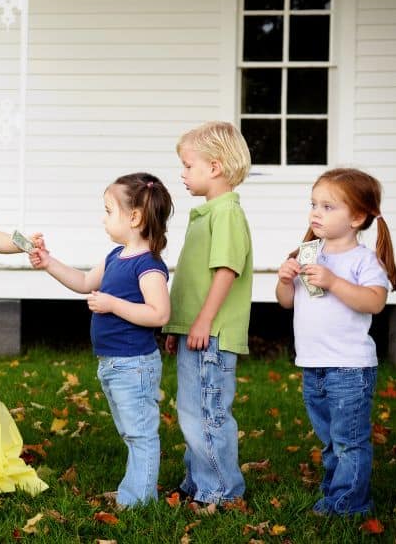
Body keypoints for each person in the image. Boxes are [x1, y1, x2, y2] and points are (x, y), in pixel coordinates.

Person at [29, 172, 173, 507]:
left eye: (109, 211)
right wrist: (48, 263)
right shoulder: (114, 257)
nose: (103, 218)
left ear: (134, 217)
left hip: (134, 365)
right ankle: (135, 489)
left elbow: (159, 314)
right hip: (114, 364)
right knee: (131, 432)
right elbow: (82, 281)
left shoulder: (148, 266)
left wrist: (112, 304)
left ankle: (139, 499)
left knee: (140, 434)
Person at [275, 168, 396, 516]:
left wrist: (332, 281)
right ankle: (336, 492)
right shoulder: (308, 253)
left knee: (349, 441)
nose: (316, 212)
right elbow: (287, 302)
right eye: (314, 204)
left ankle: (349, 504)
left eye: (328, 206)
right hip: (313, 364)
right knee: (332, 440)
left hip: (349, 367)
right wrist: (286, 281)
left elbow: (374, 302)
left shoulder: (363, 260)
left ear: (357, 217)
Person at [162, 121, 252, 506]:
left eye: (187, 166)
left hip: (212, 334)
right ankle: (198, 482)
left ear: (214, 167)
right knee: (192, 410)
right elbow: (193, 281)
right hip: (196, 330)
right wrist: (177, 325)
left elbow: (225, 271)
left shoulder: (226, 214)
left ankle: (220, 490)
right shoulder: (206, 214)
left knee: (208, 414)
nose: (182, 174)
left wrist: (202, 321)